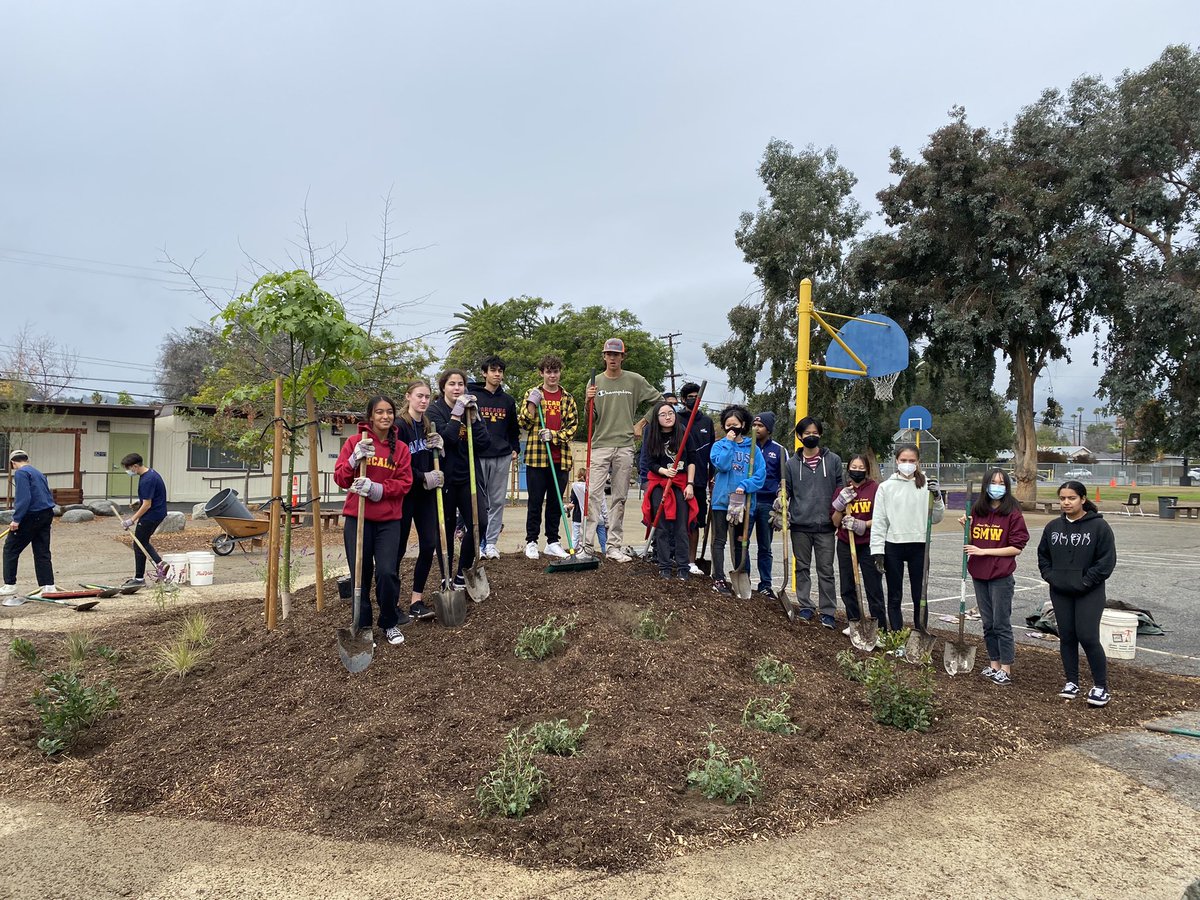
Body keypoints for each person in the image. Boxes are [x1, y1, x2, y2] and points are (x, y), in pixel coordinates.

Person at [333, 395, 414, 646]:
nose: (385, 416)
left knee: (387, 572)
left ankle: (389, 622)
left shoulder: (400, 449)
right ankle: (362, 625)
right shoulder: (355, 442)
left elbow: (405, 483)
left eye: (389, 412)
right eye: (379, 412)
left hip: (388, 520)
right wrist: (352, 460)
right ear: (370, 416)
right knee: (361, 573)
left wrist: (378, 489)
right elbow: (340, 478)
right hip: (358, 518)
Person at [582, 338, 662, 562]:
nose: (612, 358)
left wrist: (641, 424)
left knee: (619, 497)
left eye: (616, 354)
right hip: (600, 445)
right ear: (604, 356)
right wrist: (588, 401)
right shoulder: (595, 382)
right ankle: (586, 547)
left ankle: (613, 546)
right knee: (593, 495)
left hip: (625, 445)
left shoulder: (635, 380)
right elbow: (589, 421)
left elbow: (660, 402)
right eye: (609, 354)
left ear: (622, 357)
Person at [1037, 481, 1117, 706]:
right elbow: (1043, 556)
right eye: (1062, 498)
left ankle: (1100, 687)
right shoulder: (1053, 527)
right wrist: (1052, 577)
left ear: (1082, 499)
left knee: (1088, 636)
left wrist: (1085, 581)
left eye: (1071, 498)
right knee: (1067, 637)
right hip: (1060, 591)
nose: (1066, 502)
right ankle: (1072, 682)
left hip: (1089, 592)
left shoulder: (1099, 527)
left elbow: (1106, 561)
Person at [962, 469, 1030, 686]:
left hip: (1000, 575)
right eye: (993, 482)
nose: (997, 487)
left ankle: (1006, 668)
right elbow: (973, 541)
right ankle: (994, 664)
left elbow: (1016, 547)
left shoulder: (1012, 513)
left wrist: (985, 552)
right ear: (985, 484)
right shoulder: (978, 510)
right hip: (979, 574)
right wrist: (967, 527)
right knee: (988, 623)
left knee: (1001, 622)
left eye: (1002, 483)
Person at [869, 443, 944, 637]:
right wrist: (877, 551)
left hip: (919, 546)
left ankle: (921, 634)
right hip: (893, 546)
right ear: (896, 461)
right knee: (895, 595)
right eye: (904, 460)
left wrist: (937, 498)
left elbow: (936, 518)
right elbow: (879, 521)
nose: (907, 464)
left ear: (918, 462)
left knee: (920, 596)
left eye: (912, 460)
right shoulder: (886, 487)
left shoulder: (927, 486)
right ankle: (897, 635)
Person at [427, 368, 491, 588]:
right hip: (444, 479)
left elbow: (484, 443)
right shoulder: (435, 411)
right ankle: (445, 574)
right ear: (443, 387)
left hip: (468, 477)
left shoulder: (470, 410)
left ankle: (463, 572)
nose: (457, 388)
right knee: (445, 527)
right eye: (452, 384)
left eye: (461, 384)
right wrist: (456, 414)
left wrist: (475, 418)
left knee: (480, 522)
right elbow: (448, 439)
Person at [781, 417, 844, 627]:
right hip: (800, 525)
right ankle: (806, 606)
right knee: (802, 568)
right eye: (807, 433)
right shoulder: (791, 464)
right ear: (799, 436)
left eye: (814, 433)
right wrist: (781, 499)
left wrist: (839, 512)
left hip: (826, 526)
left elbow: (840, 489)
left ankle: (828, 611)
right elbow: (786, 490)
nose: (811, 436)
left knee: (826, 570)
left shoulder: (833, 460)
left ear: (820, 434)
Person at [517, 355, 578, 559]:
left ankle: (552, 542)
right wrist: (532, 405)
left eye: (555, 371)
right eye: (548, 372)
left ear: (560, 373)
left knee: (555, 504)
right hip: (537, 458)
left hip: (560, 459)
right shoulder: (532, 393)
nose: (552, 375)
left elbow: (572, 428)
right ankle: (531, 542)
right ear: (541, 373)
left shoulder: (567, 398)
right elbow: (524, 423)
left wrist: (554, 436)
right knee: (534, 503)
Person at [394, 380, 443, 622]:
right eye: (419, 396)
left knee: (429, 544)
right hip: (404, 495)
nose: (424, 401)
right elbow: (398, 464)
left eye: (427, 397)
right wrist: (423, 476)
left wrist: (440, 450)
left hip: (425, 495)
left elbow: (430, 457)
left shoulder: (426, 425)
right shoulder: (399, 426)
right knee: (398, 549)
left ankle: (416, 600)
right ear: (408, 397)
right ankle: (392, 603)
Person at [708, 405, 765, 595]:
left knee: (741, 541)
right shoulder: (718, 446)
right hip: (721, 501)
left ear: (743, 425)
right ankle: (718, 577)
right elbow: (723, 465)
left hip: (744, 502)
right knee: (719, 540)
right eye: (728, 425)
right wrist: (729, 443)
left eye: (736, 424)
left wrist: (746, 485)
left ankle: (741, 573)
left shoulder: (753, 448)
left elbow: (760, 474)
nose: (732, 428)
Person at [640, 400, 699, 579]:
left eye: (671, 413)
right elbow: (650, 462)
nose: (668, 417)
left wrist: (690, 484)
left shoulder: (683, 432)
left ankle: (682, 567)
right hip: (660, 483)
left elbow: (692, 460)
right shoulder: (652, 434)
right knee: (662, 526)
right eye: (663, 414)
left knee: (681, 527)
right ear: (657, 418)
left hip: (681, 483)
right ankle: (664, 566)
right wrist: (664, 471)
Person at [469, 356, 520, 559]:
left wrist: (515, 448)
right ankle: (477, 543)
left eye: (500, 371)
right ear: (484, 373)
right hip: (478, 455)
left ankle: (491, 543)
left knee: (497, 501)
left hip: (501, 455)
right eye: (493, 370)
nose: (497, 374)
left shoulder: (508, 401)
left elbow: (513, 428)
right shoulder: (473, 397)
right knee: (479, 502)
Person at [830, 454, 886, 634]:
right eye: (854, 467)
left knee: (873, 587)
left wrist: (862, 524)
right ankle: (854, 621)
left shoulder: (875, 489)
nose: (857, 471)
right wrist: (840, 504)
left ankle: (880, 627)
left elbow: (882, 518)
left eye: (861, 468)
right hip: (846, 542)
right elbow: (835, 522)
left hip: (869, 543)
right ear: (848, 469)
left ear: (867, 470)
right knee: (847, 586)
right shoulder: (842, 490)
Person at [735, 411, 787, 598]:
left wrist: (782, 497)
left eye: (761, 426)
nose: (756, 428)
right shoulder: (745, 446)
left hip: (767, 504)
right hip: (748, 500)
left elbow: (784, 479)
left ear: (769, 429)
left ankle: (766, 584)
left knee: (765, 546)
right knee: (742, 542)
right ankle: (745, 580)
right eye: (754, 425)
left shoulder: (779, 450)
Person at [1, 450, 57, 596]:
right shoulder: (38, 473)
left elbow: (24, 497)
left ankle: (10, 584)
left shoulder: (21, 473)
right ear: (27, 460)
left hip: (31, 515)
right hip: (46, 513)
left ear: (13, 463)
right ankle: (48, 586)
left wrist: (16, 519)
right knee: (42, 551)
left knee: (10, 548)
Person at [679, 382, 714, 575]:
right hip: (679, 478)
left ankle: (691, 562)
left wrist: (712, 480)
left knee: (695, 522)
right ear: (683, 400)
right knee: (677, 521)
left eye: (696, 397)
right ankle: (676, 558)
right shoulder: (676, 419)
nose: (694, 400)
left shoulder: (706, 422)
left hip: (699, 481)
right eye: (690, 397)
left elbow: (712, 454)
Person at [120, 452, 169, 588]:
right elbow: (149, 499)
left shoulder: (147, 480)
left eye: (128, 468)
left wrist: (131, 520)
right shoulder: (151, 473)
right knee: (142, 542)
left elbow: (147, 504)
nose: (128, 471)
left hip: (151, 515)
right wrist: (139, 504)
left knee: (139, 543)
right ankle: (158, 566)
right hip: (158, 512)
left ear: (135, 466)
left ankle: (142, 576)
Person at [569, 468, 608, 553]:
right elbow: (603, 505)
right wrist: (606, 519)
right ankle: (605, 552)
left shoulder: (576, 487)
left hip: (584, 517)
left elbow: (572, 500)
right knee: (603, 539)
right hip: (599, 516)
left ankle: (579, 553)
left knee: (580, 538)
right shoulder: (598, 489)